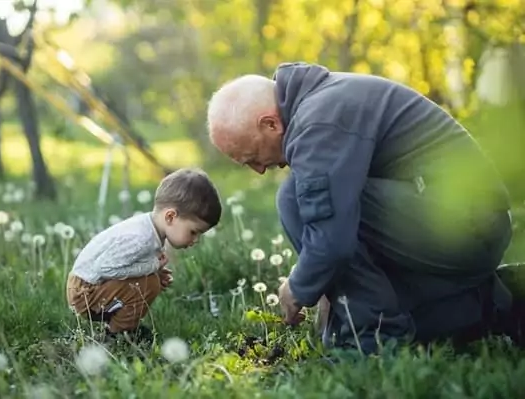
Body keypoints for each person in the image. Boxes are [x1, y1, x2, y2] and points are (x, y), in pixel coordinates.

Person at [206, 61, 515, 354]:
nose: (258, 170)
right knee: (348, 329)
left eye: (252, 157)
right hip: (460, 221)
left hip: (467, 224)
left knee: (293, 199)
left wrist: (297, 288)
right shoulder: (321, 103)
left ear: (270, 124)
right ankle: (498, 301)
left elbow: (332, 241)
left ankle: (374, 341)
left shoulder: (318, 120)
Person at [66, 168, 222, 342]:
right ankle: (117, 336)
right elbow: (105, 268)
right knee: (149, 284)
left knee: (149, 282)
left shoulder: (150, 230)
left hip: (92, 286)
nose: (196, 240)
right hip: (84, 292)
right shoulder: (140, 238)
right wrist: (151, 267)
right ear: (170, 217)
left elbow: (125, 264)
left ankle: (124, 328)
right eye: (193, 232)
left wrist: (153, 271)